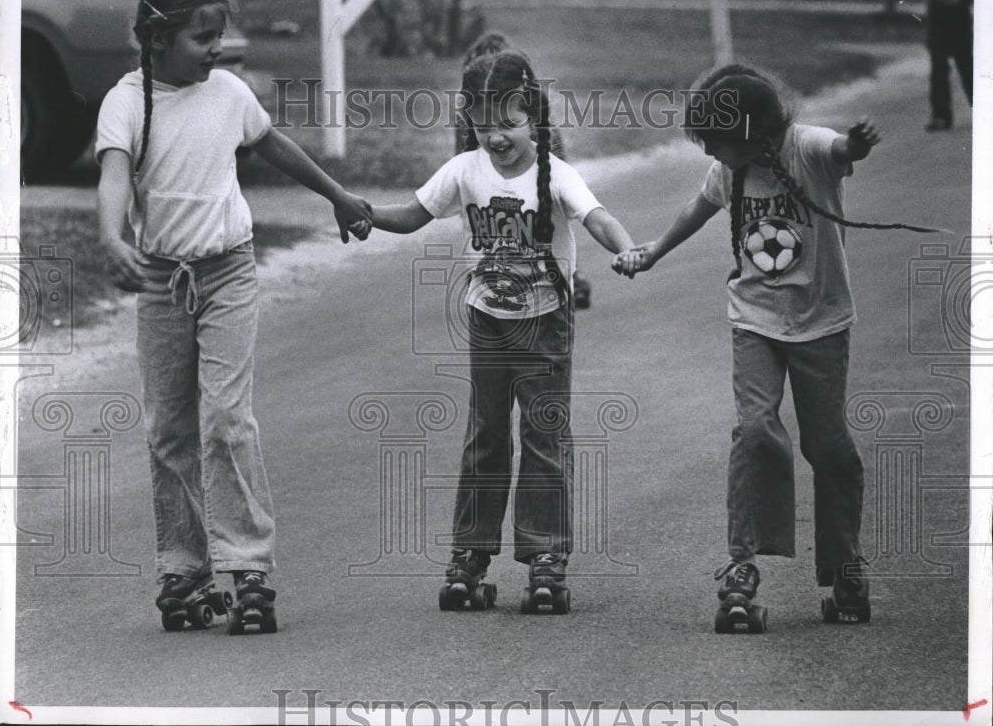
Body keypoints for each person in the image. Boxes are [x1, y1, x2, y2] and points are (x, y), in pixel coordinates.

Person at [95, 0, 372, 632]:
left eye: (219, 35)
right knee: (169, 431)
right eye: (203, 37)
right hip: (163, 281)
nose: (216, 48)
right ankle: (184, 572)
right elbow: (111, 175)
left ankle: (248, 568)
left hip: (228, 273)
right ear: (158, 37)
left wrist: (336, 194)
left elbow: (272, 144)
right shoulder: (128, 101)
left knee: (227, 418)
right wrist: (111, 235)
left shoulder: (228, 93)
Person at [613, 64, 884, 627]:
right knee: (756, 430)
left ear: (754, 132)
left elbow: (837, 150)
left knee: (829, 447)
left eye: (715, 141)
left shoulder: (802, 148)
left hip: (822, 321)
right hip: (755, 318)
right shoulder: (729, 170)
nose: (710, 152)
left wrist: (854, 143)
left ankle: (846, 566)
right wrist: (652, 252)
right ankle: (742, 564)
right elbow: (697, 210)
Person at [371, 49, 635, 612]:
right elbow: (414, 213)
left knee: (543, 436)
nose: (496, 135)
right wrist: (364, 212)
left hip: (545, 324)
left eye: (509, 122)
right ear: (469, 119)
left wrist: (628, 248)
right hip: (487, 320)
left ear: (533, 116)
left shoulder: (557, 174)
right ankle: (470, 552)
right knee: (486, 434)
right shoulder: (464, 170)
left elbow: (597, 217)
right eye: (484, 122)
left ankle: (545, 556)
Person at [453, 31, 593, 310]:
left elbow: (555, 153)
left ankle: (566, 274)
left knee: (542, 221)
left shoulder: (531, 109)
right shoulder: (469, 115)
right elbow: (462, 160)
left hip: (536, 180)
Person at [922, 0, 973, 131]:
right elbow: (928, 7)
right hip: (938, 34)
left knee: (968, 72)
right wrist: (928, 34)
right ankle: (941, 116)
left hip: (961, 33)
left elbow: (978, 2)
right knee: (938, 73)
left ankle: (983, 110)